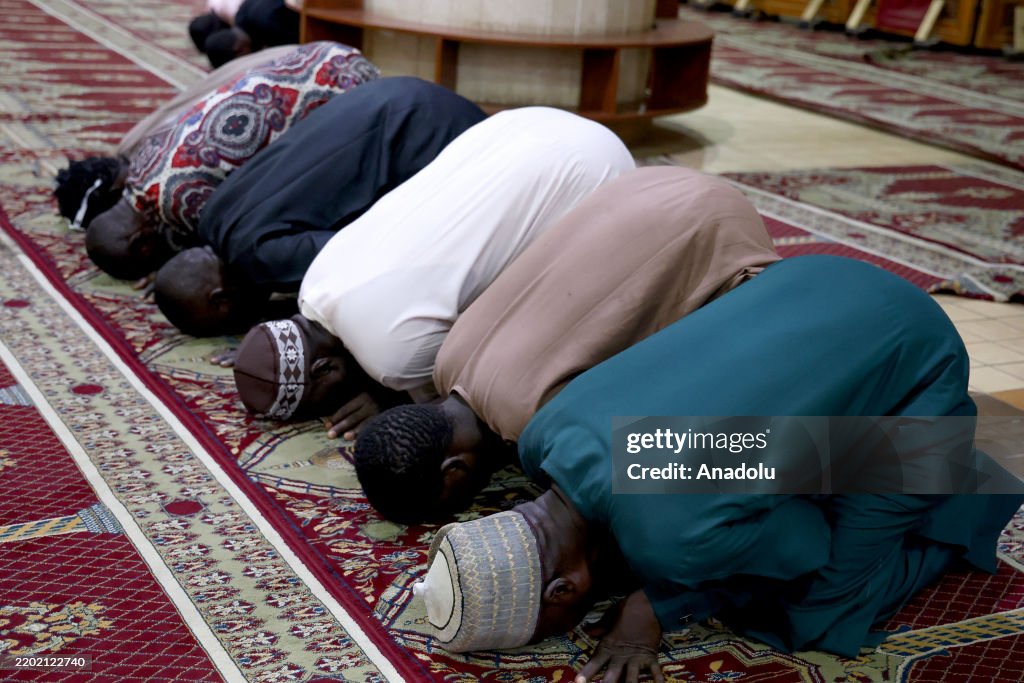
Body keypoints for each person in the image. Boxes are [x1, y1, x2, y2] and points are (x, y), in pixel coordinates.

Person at [412, 255, 1023, 682]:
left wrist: (659, 603)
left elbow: (810, 545)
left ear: (562, 589)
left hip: (919, 364)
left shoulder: (668, 539)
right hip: (807, 278)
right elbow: (670, 468)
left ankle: (968, 487)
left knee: (820, 606)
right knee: (743, 478)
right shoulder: (541, 437)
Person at [352, 166, 782, 523]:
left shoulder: (535, 425)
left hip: (718, 230)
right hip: (652, 182)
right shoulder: (447, 360)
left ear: (455, 470)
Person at [231, 107, 635, 440]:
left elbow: (462, 403)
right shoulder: (314, 282)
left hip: (596, 170)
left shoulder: (391, 359)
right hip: (527, 122)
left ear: (326, 371)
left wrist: (390, 397)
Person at [152, 77, 486, 337]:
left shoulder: (259, 256)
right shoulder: (211, 216)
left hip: (439, 133)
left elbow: (362, 261)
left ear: (221, 300)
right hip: (398, 94)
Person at [85, 41, 379, 282]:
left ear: (142, 243)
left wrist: (175, 273)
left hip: (342, 86)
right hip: (319, 56)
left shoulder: (179, 203)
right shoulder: (140, 167)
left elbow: (232, 237)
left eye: (149, 262)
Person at [54, 45, 299, 232]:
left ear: (116, 191)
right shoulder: (131, 145)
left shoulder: (161, 173)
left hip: (301, 77)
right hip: (295, 56)